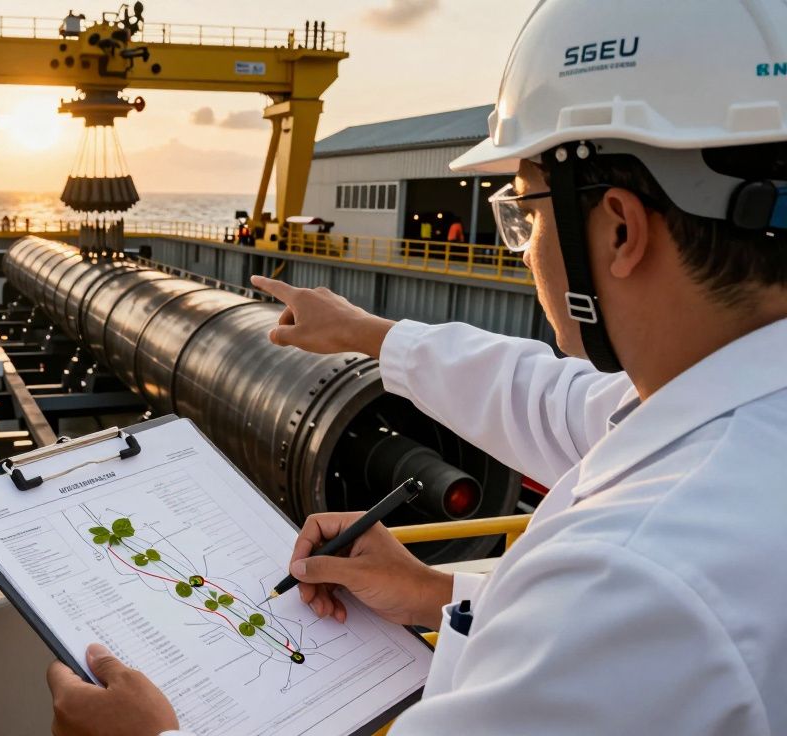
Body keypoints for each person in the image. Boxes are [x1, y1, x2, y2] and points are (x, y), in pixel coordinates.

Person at [45, 1, 787, 734]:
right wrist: (434, 592)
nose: (523, 247)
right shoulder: (732, 417)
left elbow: (589, 631)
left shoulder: (631, 582)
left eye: (525, 214)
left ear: (620, 228)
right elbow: (549, 397)